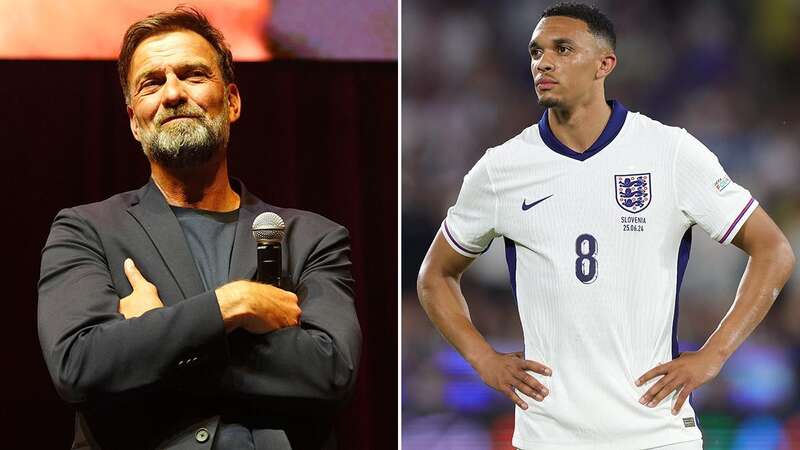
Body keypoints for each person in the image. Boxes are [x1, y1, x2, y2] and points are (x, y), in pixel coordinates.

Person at [416, 3, 795, 450]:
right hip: (549, 436)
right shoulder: (501, 169)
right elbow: (434, 276)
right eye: (537, 52)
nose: (545, 62)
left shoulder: (669, 152)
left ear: (604, 64)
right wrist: (483, 360)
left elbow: (774, 250)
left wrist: (714, 355)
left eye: (563, 49)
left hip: (656, 434)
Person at [37, 7, 361, 450]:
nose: (171, 94)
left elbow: (331, 372)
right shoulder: (86, 230)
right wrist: (231, 305)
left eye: (192, 75)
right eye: (151, 83)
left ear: (231, 101)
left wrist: (154, 334)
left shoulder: (311, 238)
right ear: (134, 120)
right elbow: (78, 366)